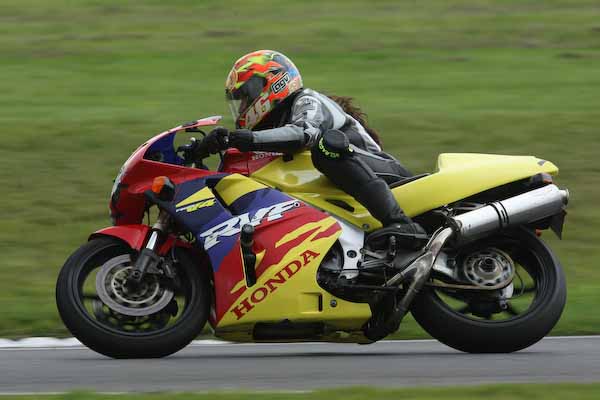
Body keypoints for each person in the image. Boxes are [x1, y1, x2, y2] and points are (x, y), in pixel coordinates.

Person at [199, 49, 425, 239]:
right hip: (350, 186)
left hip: (383, 171)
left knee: (325, 148)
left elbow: (305, 134)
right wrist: (209, 149)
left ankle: (400, 223)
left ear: (275, 82)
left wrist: (250, 140)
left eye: (246, 97)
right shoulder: (273, 126)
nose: (242, 108)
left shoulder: (307, 99)